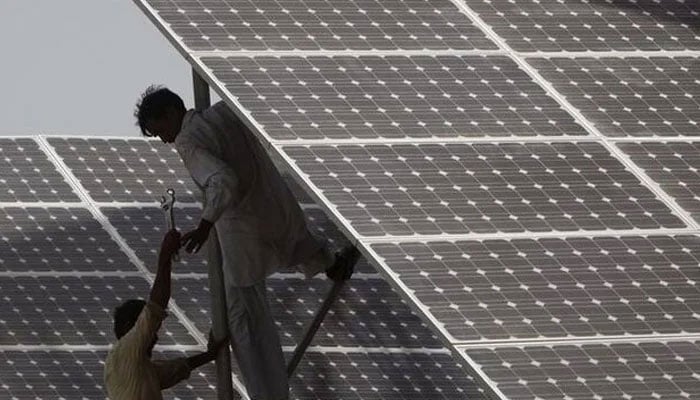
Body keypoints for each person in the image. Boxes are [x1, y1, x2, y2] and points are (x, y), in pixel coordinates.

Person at [133, 85, 359, 400]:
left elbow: (223, 180)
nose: (164, 140)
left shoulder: (188, 141)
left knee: (243, 320)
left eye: (160, 131)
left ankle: (267, 394)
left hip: (243, 235)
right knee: (298, 244)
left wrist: (204, 224)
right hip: (277, 211)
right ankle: (332, 264)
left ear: (171, 113)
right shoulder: (225, 114)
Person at [104, 229, 228, 400]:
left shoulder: (135, 368)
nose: (156, 338)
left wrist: (210, 355)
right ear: (129, 326)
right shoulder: (124, 352)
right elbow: (157, 304)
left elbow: (176, 369)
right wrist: (165, 254)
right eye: (153, 331)